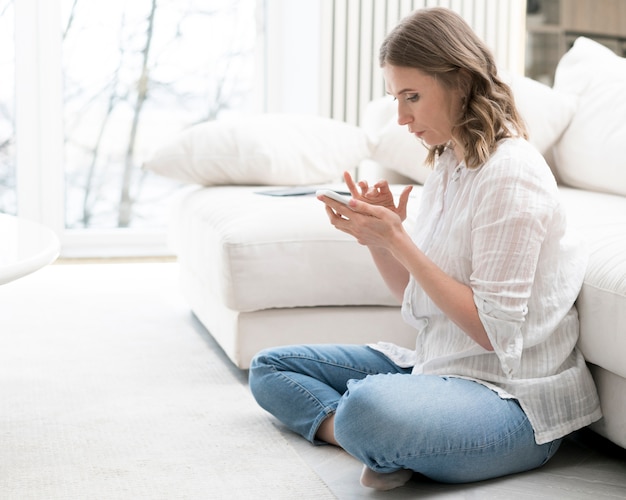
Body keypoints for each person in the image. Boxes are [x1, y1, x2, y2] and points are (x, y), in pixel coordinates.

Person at [248, 7, 602, 491]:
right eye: (396, 98)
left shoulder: (510, 173)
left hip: (511, 401)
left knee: (369, 407)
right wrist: (377, 241)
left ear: (460, 80)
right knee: (272, 368)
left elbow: (491, 332)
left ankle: (382, 435)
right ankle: (381, 441)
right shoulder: (450, 164)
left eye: (412, 96)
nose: (401, 117)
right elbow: (416, 300)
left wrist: (400, 240)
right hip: (438, 367)